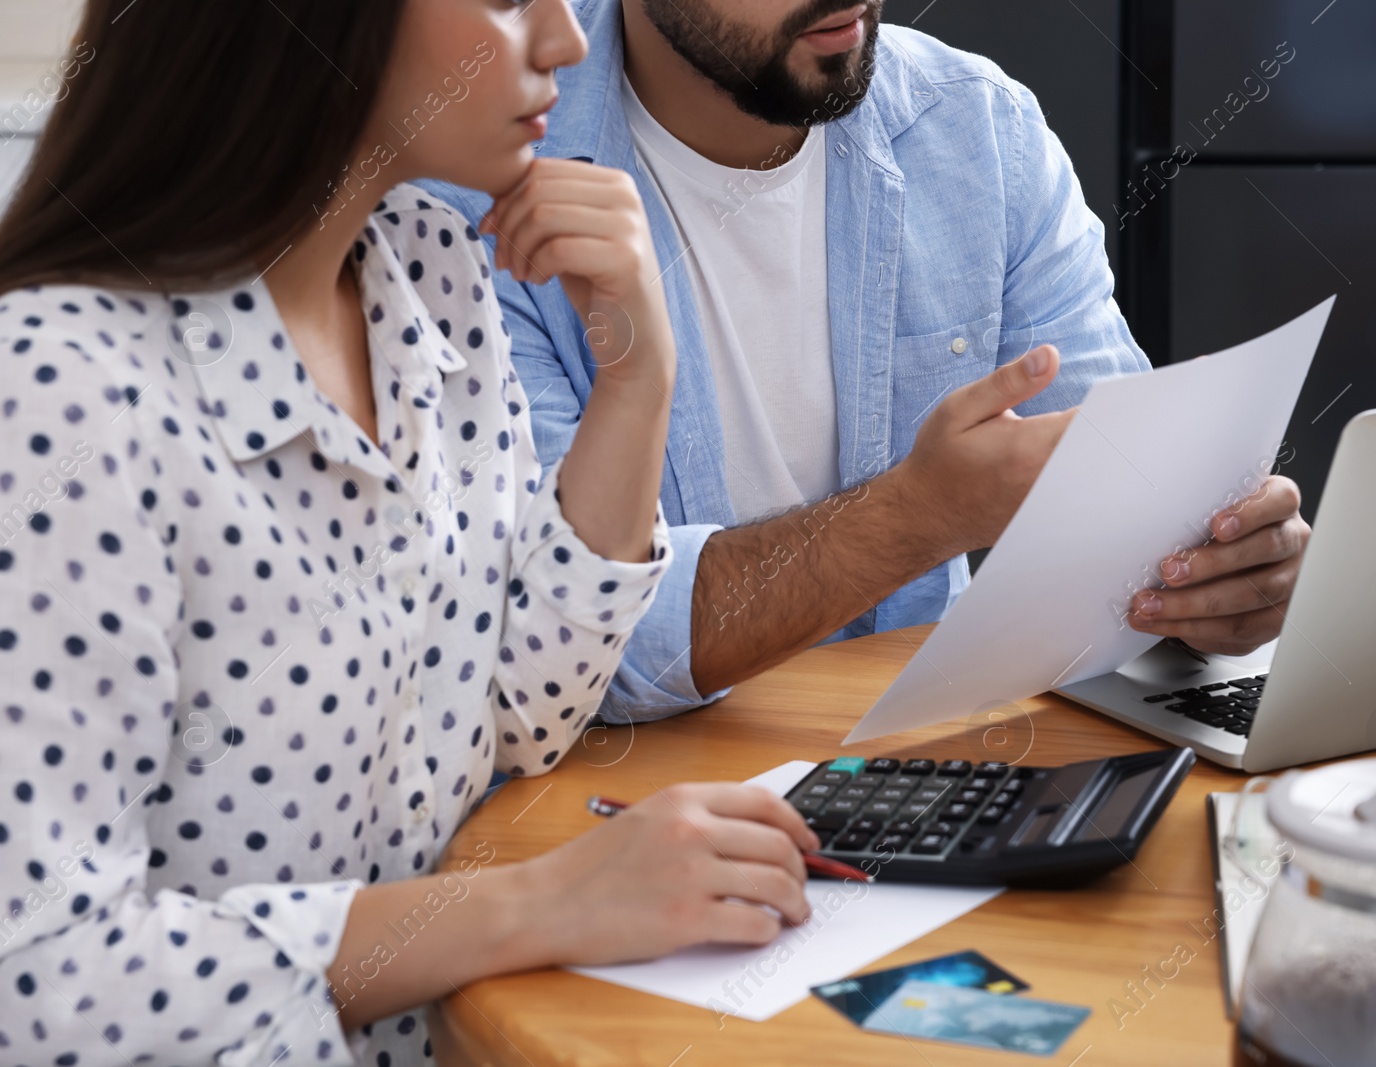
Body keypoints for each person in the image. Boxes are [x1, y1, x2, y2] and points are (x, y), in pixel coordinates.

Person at [0, 3, 821, 1066]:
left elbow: (517, 713)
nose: (569, 44)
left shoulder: (428, 271)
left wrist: (636, 378)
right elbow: (38, 984)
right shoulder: (56, 392)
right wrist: (536, 902)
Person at [424, 0, 1313, 725]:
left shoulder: (975, 128)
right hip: (629, 830)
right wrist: (917, 515)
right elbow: (556, 648)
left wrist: (1215, 574)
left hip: (927, 783)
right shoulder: (473, 187)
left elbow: (1127, 517)